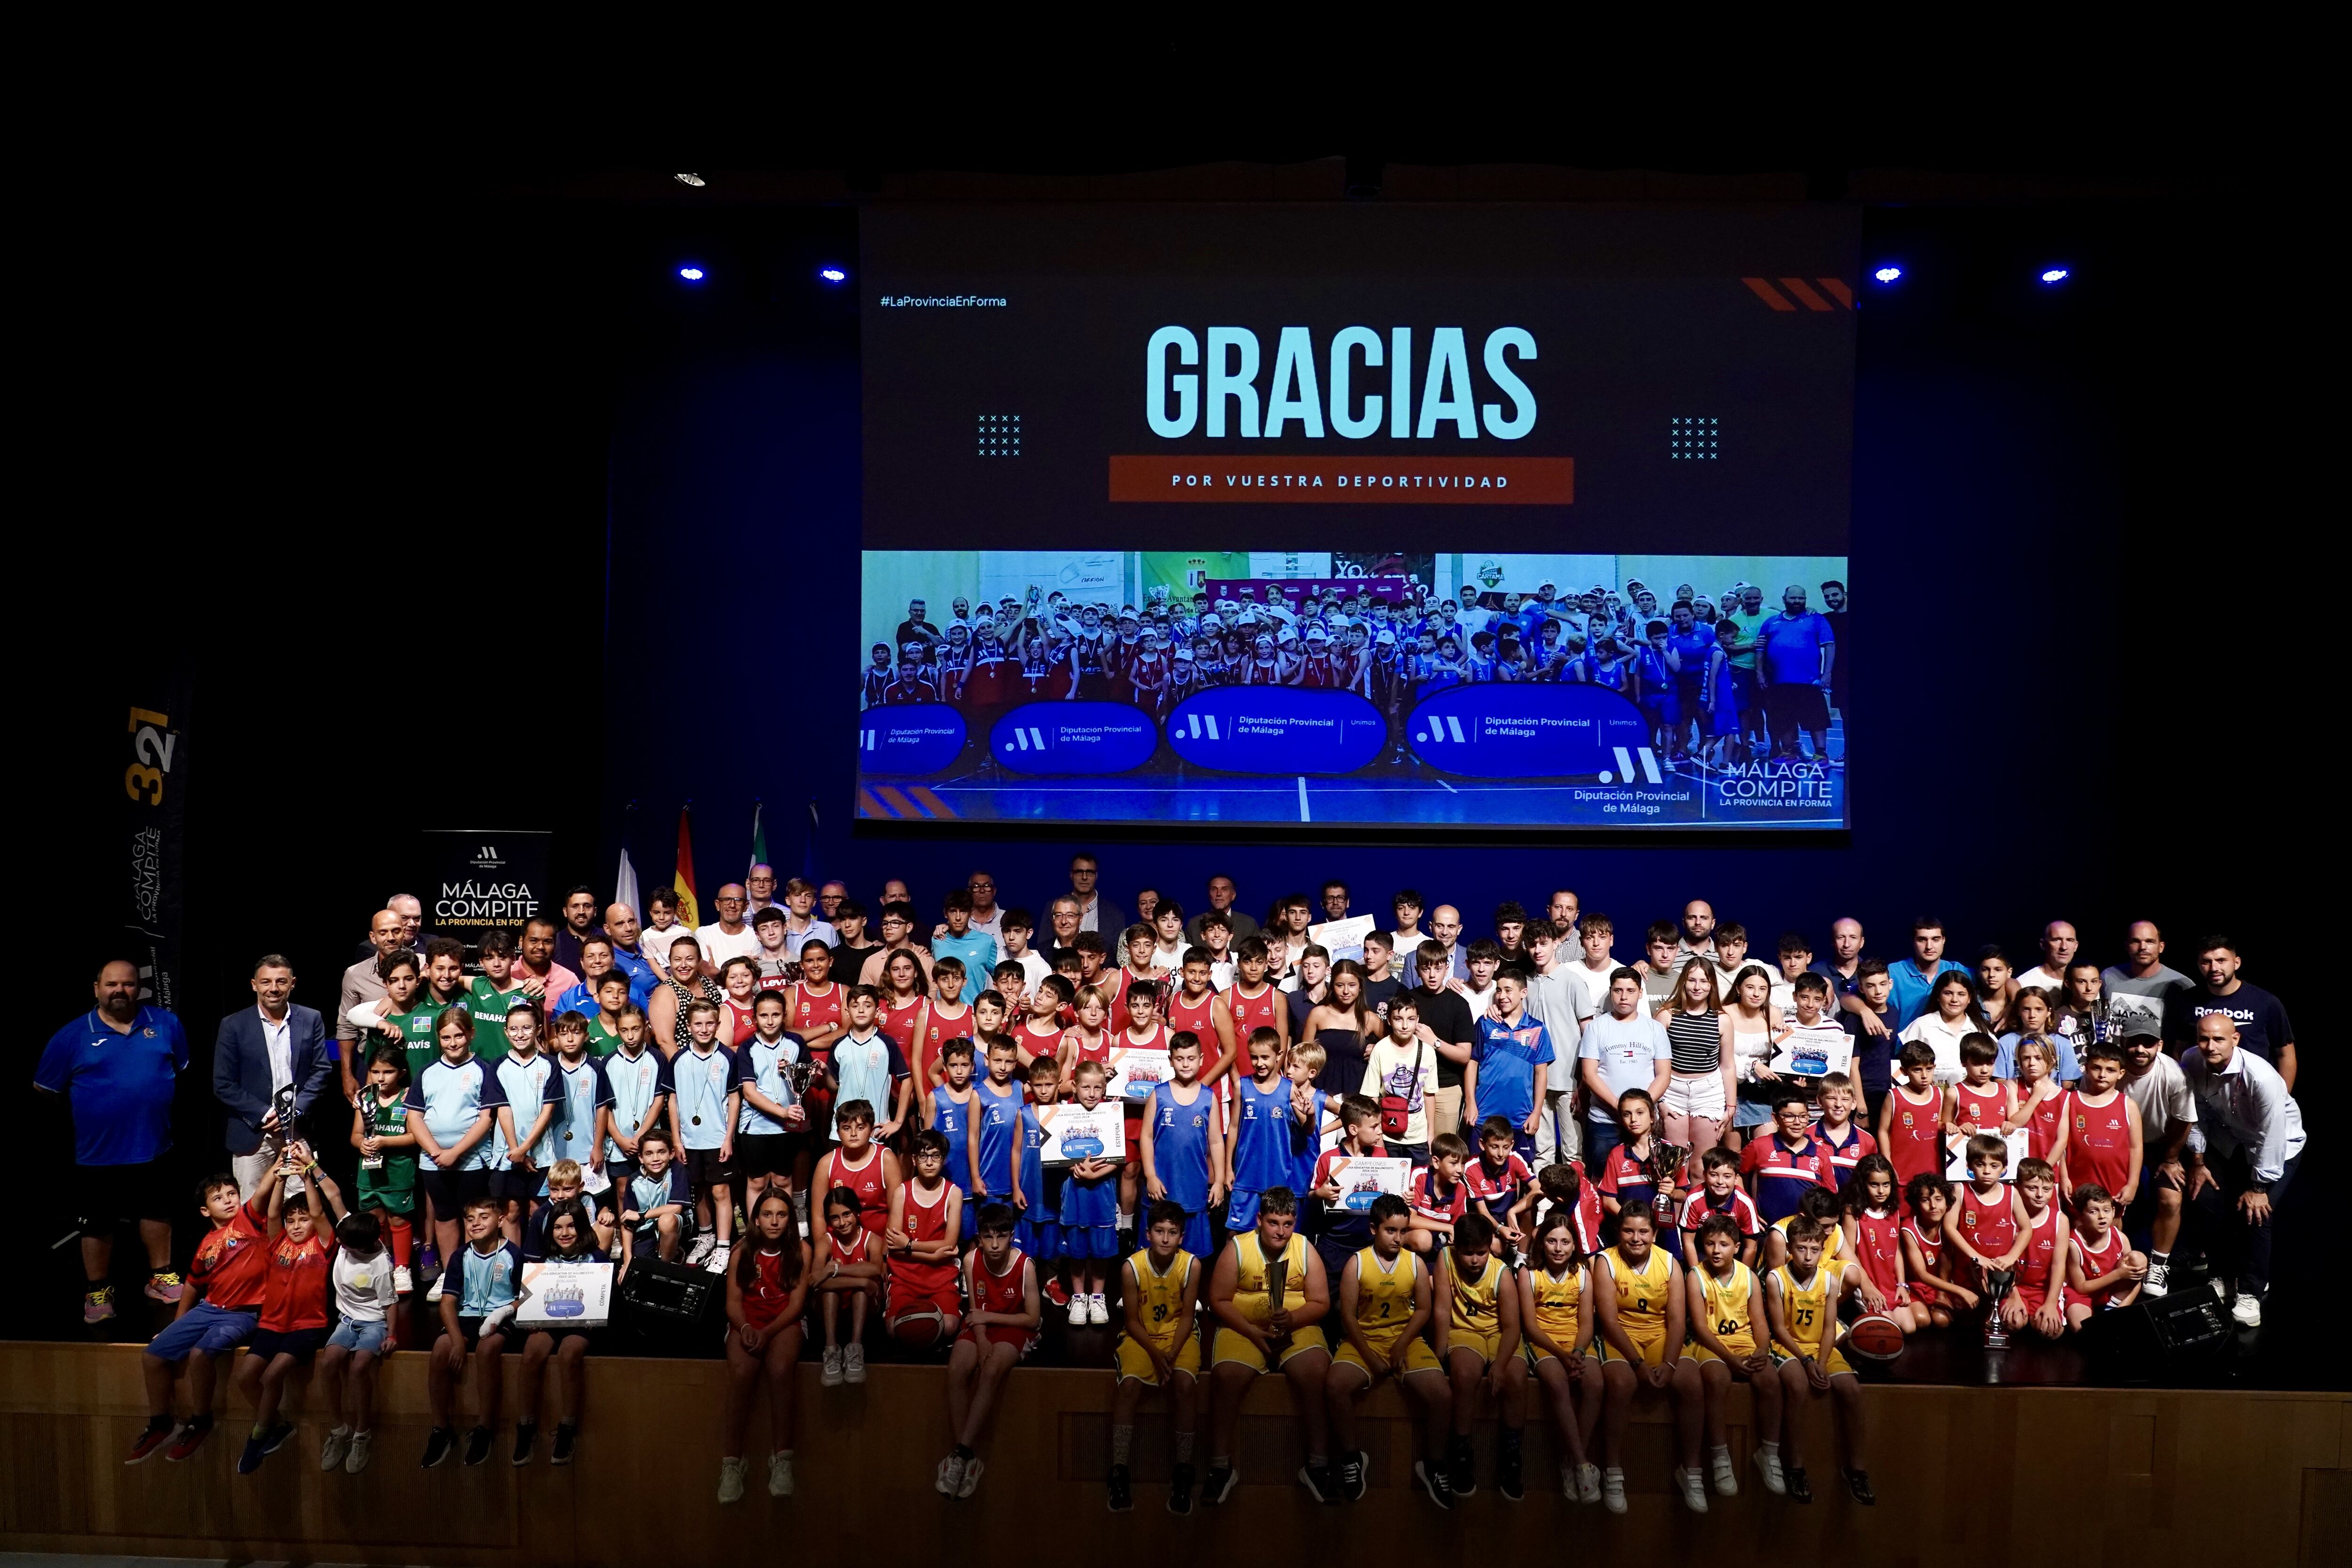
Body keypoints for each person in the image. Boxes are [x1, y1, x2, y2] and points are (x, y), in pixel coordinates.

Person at [37, 958, 190, 1323]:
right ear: (97, 989)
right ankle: (98, 1292)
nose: (120, 990)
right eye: (111, 984)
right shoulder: (72, 1035)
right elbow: (45, 1089)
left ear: (139, 987)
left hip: (154, 1145)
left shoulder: (166, 1024)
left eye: (127, 984)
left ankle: (160, 1277)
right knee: (96, 1223)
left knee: (156, 1211)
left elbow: (181, 1071)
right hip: (96, 1153)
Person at [124, 1171, 269, 1463]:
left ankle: (201, 1421)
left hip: (242, 1314)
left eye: (232, 1194)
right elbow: (192, 1283)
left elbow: (264, 1193)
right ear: (205, 1211)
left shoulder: (250, 1221)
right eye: (218, 1198)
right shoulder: (207, 1244)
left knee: (201, 1355)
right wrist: (178, 1325)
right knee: (152, 1357)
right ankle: (161, 1423)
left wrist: (279, 1165)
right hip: (208, 1309)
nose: (228, 1201)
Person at [1203, 1186, 1333, 1504]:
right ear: (1260, 1219)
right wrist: (1251, 1330)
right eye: (1274, 1222)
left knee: (1317, 1372)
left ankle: (1318, 1464)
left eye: (1288, 1223)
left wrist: (1295, 1318)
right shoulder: (1237, 1247)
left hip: (1295, 1324)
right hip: (1245, 1328)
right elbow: (1218, 1299)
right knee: (1227, 1376)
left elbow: (1321, 1301)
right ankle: (1220, 1466)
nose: (1281, 1231)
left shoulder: (1304, 1248)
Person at [2179, 1011, 2304, 1326]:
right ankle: (2223, 1276)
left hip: (2278, 1145)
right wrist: (2198, 1160)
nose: (2210, 1046)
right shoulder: (2191, 1059)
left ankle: (2251, 1289)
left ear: (2235, 1039)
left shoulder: (2261, 1076)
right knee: (2208, 1201)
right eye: (2204, 1038)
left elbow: (2272, 1134)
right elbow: (2194, 1111)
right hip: (2231, 1139)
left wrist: (2259, 1187)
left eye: (2219, 1039)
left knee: (2255, 1213)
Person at [232, 1151, 344, 1473]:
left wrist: (307, 1175)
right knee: (245, 1376)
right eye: (292, 1219)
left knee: (270, 1376)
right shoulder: (277, 1241)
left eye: (303, 1219)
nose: (296, 1225)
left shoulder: (323, 1243)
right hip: (271, 1324)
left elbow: (320, 1210)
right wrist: (279, 1176)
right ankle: (279, 1426)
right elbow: (272, 1213)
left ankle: (258, 1436)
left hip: (306, 1327)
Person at [1590, 1205, 1691, 1515]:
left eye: (1643, 1231)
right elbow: (1608, 1320)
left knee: (1693, 1382)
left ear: (1655, 1233)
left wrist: (1671, 1363)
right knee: (1621, 1383)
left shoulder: (1669, 1262)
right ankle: (1613, 1471)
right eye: (1629, 1231)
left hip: (1659, 1335)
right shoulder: (1606, 1260)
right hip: (1622, 1337)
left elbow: (1677, 1320)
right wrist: (1638, 1363)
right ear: (1619, 1233)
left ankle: (1692, 1470)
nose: (1636, 1238)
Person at [1763, 1216, 1870, 1504]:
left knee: (1851, 1390)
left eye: (1814, 1250)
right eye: (1801, 1249)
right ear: (1789, 1248)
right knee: (1797, 1386)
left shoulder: (1829, 1280)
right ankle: (1795, 1465)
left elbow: (1828, 1329)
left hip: (1820, 1347)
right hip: (1787, 1347)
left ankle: (1856, 1468)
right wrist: (1808, 1363)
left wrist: (1821, 1362)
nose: (1808, 1257)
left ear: (1823, 1250)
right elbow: (1780, 1330)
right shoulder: (1776, 1279)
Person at [936, 1204, 1040, 1499]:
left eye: (1001, 1236)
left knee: (991, 1369)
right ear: (979, 1238)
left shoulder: (1025, 1266)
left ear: (1012, 1236)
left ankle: (958, 1455)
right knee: (957, 1370)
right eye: (988, 1237)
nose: (995, 1245)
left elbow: (1032, 1318)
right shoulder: (970, 1260)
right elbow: (975, 1309)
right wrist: (981, 1338)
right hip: (981, 1324)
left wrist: (987, 1321)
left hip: (1014, 1324)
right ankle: (966, 1461)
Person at [1107, 1200, 1204, 1514]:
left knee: (1186, 1384)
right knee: (1130, 1385)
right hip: (1142, 1336)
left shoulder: (1191, 1265)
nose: (1165, 1238)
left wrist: (1171, 1354)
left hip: (1178, 1335)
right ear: (1147, 1233)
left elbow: (1188, 1317)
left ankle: (1184, 1469)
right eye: (1159, 1231)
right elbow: (1132, 1321)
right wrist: (1156, 1353)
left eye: (1172, 1232)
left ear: (1182, 1237)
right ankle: (1119, 1469)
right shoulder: (1132, 1266)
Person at [1680, 1211, 1783, 1499]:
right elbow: (1700, 1328)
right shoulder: (1696, 1276)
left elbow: (1760, 1323)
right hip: (1711, 1344)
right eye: (1711, 1244)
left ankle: (1770, 1453)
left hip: (1744, 1342)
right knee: (1716, 1379)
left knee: (1771, 1382)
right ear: (1703, 1245)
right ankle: (1719, 1455)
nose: (1716, 1250)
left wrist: (1762, 1350)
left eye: (1724, 1244)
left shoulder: (1748, 1276)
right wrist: (1729, 1358)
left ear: (1737, 1247)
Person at [214, 954, 334, 1200]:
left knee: (301, 1209)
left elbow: (321, 1071)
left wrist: (293, 1112)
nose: (274, 989)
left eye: (281, 981)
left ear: (293, 983)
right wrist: (265, 1114)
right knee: (252, 1208)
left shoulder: (311, 1019)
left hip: (298, 1131)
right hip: (253, 1133)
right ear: (254, 985)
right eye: (266, 982)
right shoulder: (233, 1025)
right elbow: (223, 1084)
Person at [405, 1009, 505, 1297]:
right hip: (433, 1161)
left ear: (471, 1034)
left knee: (473, 1218)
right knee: (445, 1216)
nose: (452, 1042)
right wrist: (436, 1151)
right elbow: (415, 1117)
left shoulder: (484, 1070)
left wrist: (456, 1152)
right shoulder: (427, 1072)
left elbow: (486, 1119)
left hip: (472, 1160)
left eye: (458, 1036)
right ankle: (451, 1276)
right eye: (446, 1037)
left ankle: (475, 1273)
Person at [1432, 1210, 1529, 1500]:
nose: (1475, 1260)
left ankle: (1512, 1457)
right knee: (1465, 1374)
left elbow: (1513, 1327)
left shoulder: (1501, 1272)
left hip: (1500, 1333)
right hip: (1464, 1331)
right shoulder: (1445, 1260)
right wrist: (1437, 1356)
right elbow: (1441, 1310)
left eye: (1481, 1253)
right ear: (1456, 1248)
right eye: (1468, 1253)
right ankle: (1461, 1454)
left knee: (1516, 1376)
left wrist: (1499, 1366)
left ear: (1490, 1248)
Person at [422, 1195, 522, 1468]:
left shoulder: (513, 1254)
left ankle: (485, 1429)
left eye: (484, 1217)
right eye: (470, 1219)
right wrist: (456, 1343)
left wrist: (502, 1313)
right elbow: (447, 1304)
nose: (476, 1223)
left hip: (501, 1317)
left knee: (487, 1349)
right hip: (468, 1316)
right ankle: (442, 1430)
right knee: (440, 1351)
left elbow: (523, 1297)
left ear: (501, 1221)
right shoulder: (460, 1255)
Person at [1518, 1209, 1602, 1503]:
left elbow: (1587, 1323)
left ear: (1574, 1245)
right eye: (1552, 1241)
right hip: (1544, 1343)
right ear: (1542, 1243)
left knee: (1595, 1384)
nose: (1558, 1248)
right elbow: (1530, 1326)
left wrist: (1577, 1353)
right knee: (1556, 1383)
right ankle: (1582, 1464)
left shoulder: (1582, 1274)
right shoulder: (1528, 1273)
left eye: (1565, 1242)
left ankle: (1570, 1462)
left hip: (1575, 1342)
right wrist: (1563, 1356)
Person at [514, 1199, 602, 1465]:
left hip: (582, 1325)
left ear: (583, 1228)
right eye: (558, 1227)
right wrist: (530, 1317)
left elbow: (602, 1299)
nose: (565, 1233)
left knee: (568, 1355)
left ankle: (567, 1428)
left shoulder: (596, 1259)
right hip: (551, 1323)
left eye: (572, 1226)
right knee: (530, 1355)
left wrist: (595, 1316)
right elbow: (529, 1300)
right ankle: (526, 1427)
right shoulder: (543, 1262)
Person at [316, 1195, 398, 1473]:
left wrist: (391, 1335)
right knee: (328, 1363)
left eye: (344, 1242)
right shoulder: (349, 1233)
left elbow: (390, 1303)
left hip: (374, 1322)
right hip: (347, 1320)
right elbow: (336, 1196)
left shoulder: (380, 1264)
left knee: (359, 1366)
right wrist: (311, 1168)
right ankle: (339, 1430)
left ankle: (362, 1434)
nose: (338, 1244)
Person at [2166, 935, 2296, 1090]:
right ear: (2199, 965)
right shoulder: (2187, 1001)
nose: (2214, 968)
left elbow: (2285, 1055)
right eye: (2206, 962)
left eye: (2221, 961)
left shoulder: (2266, 1002)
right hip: (2203, 1095)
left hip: (2252, 1093)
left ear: (2237, 963)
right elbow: (2180, 1050)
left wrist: (2282, 1097)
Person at [1577, 968, 1674, 1175]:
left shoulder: (1655, 1029)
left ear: (1640, 993)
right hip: (1605, 1121)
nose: (1624, 997)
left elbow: (1664, 1075)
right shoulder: (1596, 1028)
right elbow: (1589, 1074)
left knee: (1646, 1180)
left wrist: (1640, 1110)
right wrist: (1621, 1109)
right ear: (1611, 992)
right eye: (1618, 990)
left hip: (1645, 1124)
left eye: (1631, 991)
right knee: (1600, 1180)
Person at [350, 1043, 420, 1294]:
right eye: (376, 1072)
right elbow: (356, 1135)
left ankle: (402, 1268)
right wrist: (363, 1145)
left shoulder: (409, 1097)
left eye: (388, 1072)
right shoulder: (366, 1098)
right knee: (375, 1220)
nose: (381, 1077)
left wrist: (385, 1141)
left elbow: (415, 1136)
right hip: (369, 1173)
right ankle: (383, 1263)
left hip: (398, 1171)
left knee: (398, 1219)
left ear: (401, 1073)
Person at [885, 1130, 965, 1350]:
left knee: (950, 1327)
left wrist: (910, 1244)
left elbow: (949, 1244)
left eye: (936, 1156)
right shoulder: (902, 1192)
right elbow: (894, 1247)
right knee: (894, 1330)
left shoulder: (953, 1193)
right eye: (923, 1156)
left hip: (940, 1276)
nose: (929, 1163)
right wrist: (932, 1254)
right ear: (914, 1160)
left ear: (944, 1159)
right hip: (905, 1275)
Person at [1464, 966, 1553, 1164]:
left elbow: (1541, 1074)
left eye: (1508, 990)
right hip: (1484, 1114)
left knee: (1520, 1174)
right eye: (1499, 990)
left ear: (1523, 993)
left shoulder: (1537, 1029)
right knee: (1476, 1170)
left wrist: (1537, 1112)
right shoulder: (1486, 1024)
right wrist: (1471, 1102)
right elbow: (1473, 1063)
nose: (1502, 996)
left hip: (1520, 1117)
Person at [1653, 957, 1733, 1161]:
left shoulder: (1722, 1020)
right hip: (1672, 1091)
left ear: (1712, 985)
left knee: (1702, 1164)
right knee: (1674, 1163)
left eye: (1704, 981)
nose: (1698, 987)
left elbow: (1727, 1065)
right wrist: (1659, 1101)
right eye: (1692, 980)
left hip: (1708, 1093)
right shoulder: (1666, 1015)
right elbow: (1651, 1062)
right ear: (1683, 982)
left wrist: (1731, 1107)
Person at [336, 910, 411, 1098]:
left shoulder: (422, 966)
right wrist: (347, 1074)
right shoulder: (355, 974)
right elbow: (346, 1026)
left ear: (404, 933)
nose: (391, 938)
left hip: (414, 1056)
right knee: (373, 1121)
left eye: (396, 931)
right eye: (383, 933)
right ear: (373, 937)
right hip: (370, 1061)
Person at [2063, 1184, 2147, 1328]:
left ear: (2113, 1212)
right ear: (2081, 1215)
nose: (2102, 1217)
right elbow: (2081, 1288)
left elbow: (2136, 1282)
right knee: (2082, 1329)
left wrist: (2120, 1309)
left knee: (2138, 1259)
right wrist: (2118, 1274)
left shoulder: (2120, 1238)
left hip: (2111, 1292)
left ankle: (2110, 1309)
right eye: (2093, 1211)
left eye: (2106, 1210)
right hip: (2083, 1294)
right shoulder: (2074, 1244)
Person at [2102, 921, 2191, 1037]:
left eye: (2150, 942)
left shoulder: (2182, 984)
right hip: (2115, 1054)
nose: (2143, 947)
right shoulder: (2107, 977)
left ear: (2161, 947)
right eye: (2136, 941)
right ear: (2126, 946)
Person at [1900, 970, 1987, 1085]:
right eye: (1948, 993)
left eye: (1961, 994)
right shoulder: (1921, 1025)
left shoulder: (1980, 1029)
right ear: (1938, 996)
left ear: (1970, 998)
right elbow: (1905, 1064)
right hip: (1931, 1097)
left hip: (1970, 1098)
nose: (1955, 1000)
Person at [1063, 852, 1126, 936]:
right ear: (1071, 875)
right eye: (1079, 872)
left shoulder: (1114, 914)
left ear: (1096, 876)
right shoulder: (1053, 908)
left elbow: (1119, 948)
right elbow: (1045, 947)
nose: (1084, 877)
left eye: (1089, 873)